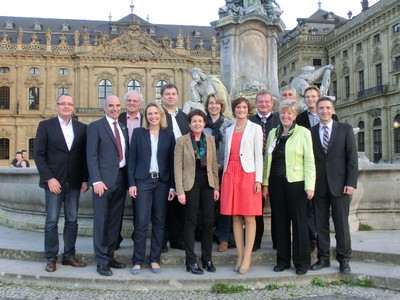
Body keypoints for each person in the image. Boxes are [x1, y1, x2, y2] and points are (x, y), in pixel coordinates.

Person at [34, 94, 88, 272]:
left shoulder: (81, 128)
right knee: (51, 221)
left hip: (74, 181)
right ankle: (51, 258)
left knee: (72, 220)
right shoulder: (46, 126)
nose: (66, 106)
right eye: (63, 104)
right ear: (57, 106)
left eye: (69, 104)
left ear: (73, 107)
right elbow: (39, 155)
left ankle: (69, 256)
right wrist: (49, 178)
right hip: (54, 182)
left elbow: (83, 157)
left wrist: (85, 179)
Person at [262, 98, 315, 275]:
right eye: (283, 112)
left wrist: (310, 185)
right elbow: (266, 161)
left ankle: (301, 262)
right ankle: (283, 260)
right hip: (277, 183)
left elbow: (309, 161)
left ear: (294, 115)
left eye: (289, 113)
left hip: (297, 183)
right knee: (281, 222)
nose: (285, 115)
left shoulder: (303, 132)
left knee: (299, 223)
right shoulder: (273, 133)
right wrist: (265, 183)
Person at [310, 97, 358, 274]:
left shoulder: (345, 129)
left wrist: (351, 183)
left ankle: (344, 259)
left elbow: (352, 159)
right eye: (321, 108)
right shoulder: (311, 132)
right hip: (319, 186)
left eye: (327, 108)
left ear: (333, 110)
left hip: (341, 186)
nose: (324, 111)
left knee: (341, 225)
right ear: (317, 110)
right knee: (320, 224)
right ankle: (323, 258)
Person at [128, 103, 176, 275]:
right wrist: (131, 183)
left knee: (159, 221)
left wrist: (172, 186)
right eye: (150, 114)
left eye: (156, 113)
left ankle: (155, 259)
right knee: (141, 222)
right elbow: (131, 160)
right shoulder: (138, 133)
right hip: (143, 182)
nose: (153, 116)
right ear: (145, 116)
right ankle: (137, 260)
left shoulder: (168, 134)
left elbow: (172, 162)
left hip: (162, 183)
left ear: (161, 115)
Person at [220, 97, 263, 275]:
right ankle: (239, 255)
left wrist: (258, 180)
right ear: (234, 109)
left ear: (248, 109)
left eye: (244, 107)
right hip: (231, 173)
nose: (241, 110)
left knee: (249, 217)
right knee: (235, 217)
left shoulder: (256, 128)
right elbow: (225, 155)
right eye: (238, 107)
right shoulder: (229, 130)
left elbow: (258, 155)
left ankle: (247, 257)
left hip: (248, 173)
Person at [86, 95, 128, 276]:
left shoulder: (123, 127)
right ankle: (101, 260)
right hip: (102, 182)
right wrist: (96, 180)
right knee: (101, 222)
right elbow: (91, 155)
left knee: (114, 222)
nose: (115, 108)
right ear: (104, 107)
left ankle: (110, 255)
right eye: (111, 105)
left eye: (118, 105)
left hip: (121, 179)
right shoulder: (95, 127)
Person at [175, 109, 220, 275]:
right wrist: (180, 190)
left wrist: (216, 187)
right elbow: (177, 167)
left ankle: (207, 258)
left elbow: (214, 164)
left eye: (200, 121)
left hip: (207, 184)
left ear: (204, 123)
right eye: (194, 121)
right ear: (189, 124)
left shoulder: (210, 140)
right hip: (190, 184)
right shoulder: (182, 141)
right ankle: (191, 261)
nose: (197, 124)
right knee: (191, 222)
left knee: (208, 222)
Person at [295, 86, 338, 252]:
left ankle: (326, 244)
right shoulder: (300, 118)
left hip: (327, 171)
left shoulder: (332, 117)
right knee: (310, 210)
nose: (310, 99)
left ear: (319, 97)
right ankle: (313, 238)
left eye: (313, 96)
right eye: (307, 97)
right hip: (308, 168)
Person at [248, 91, 280, 251]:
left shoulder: (279, 120)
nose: (264, 104)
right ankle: (256, 240)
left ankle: (277, 240)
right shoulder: (249, 122)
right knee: (256, 208)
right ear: (256, 103)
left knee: (277, 207)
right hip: (254, 170)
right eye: (260, 102)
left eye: (267, 101)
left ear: (272, 103)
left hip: (275, 170)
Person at [202, 94, 234, 252]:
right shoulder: (202, 124)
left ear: (222, 106)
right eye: (211, 103)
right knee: (208, 204)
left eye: (217, 103)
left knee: (224, 204)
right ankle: (207, 234)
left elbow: (232, 149)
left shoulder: (229, 125)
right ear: (207, 105)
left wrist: (221, 164)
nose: (214, 106)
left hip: (225, 169)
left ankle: (224, 237)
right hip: (206, 170)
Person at [161, 83, 190, 252]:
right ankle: (162, 240)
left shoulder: (184, 117)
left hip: (182, 166)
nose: (171, 97)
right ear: (162, 97)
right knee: (164, 203)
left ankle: (176, 239)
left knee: (179, 204)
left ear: (177, 96)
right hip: (164, 163)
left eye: (173, 94)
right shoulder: (158, 115)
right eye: (167, 94)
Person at [115, 90, 144, 250]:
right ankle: (115, 238)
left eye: (135, 101)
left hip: (140, 168)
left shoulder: (147, 120)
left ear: (140, 103)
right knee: (117, 206)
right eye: (129, 101)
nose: (132, 103)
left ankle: (137, 238)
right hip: (120, 167)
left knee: (139, 205)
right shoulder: (117, 119)